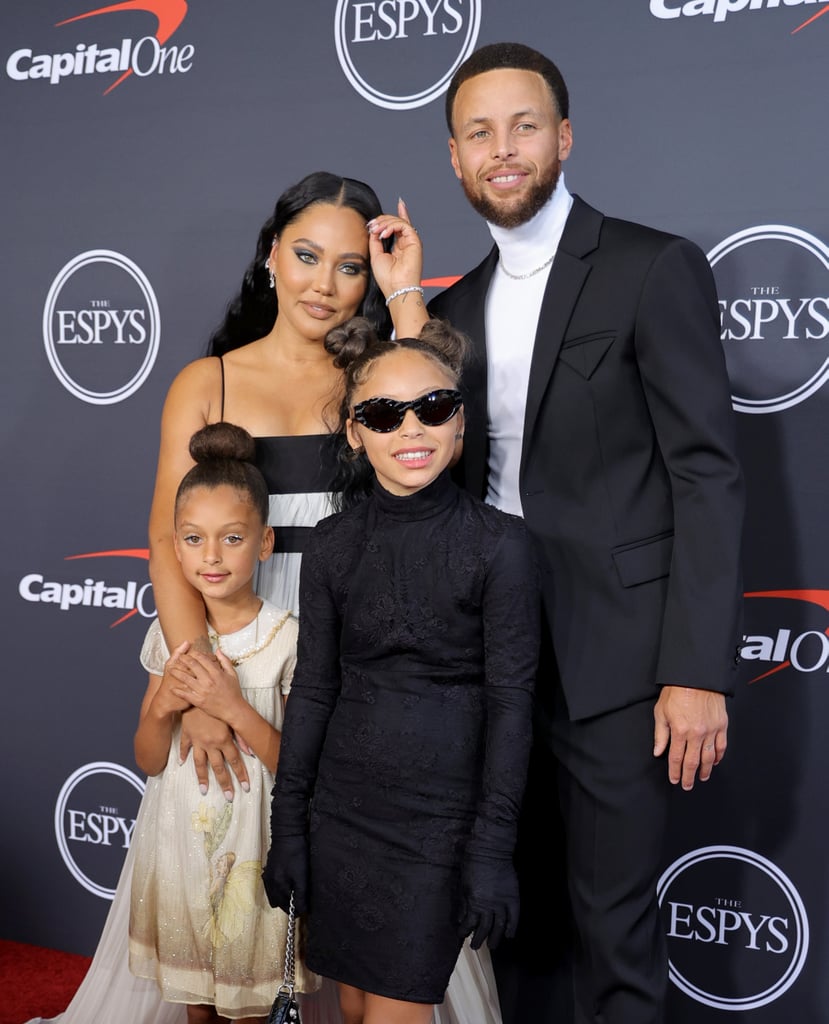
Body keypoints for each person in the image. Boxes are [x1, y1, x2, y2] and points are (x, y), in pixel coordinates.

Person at [427, 42, 745, 1024]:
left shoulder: (651, 268)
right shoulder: (450, 312)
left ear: (563, 137)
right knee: (509, 926)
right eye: (479, 132)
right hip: (494, 670)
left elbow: (707, 474)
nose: (503, 149)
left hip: (619, 666)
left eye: (523, 126)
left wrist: (695, 668)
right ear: (454, 158)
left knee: (615, 938)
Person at [262, 317, 539, 1024]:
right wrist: (287, 825)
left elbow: (512, 704)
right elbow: (316, 690)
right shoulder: (331, 545)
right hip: (341, 811)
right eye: (384, 415)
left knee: (393, 1013)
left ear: (460, 421)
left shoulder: (500, 547)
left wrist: (492, 851)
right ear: (355, 433)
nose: (411, 430)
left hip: (437, 826)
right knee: (354, 1011)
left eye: (433, 408)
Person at [129, 421, 315, 1023]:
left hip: (255, 853)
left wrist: (231, 707)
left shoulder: (288, 639)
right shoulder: (171, 637)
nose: (211, 557)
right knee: (198, 1004)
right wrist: (165, 707)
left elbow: (300, 767)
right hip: (181, 846)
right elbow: (149, 758)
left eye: (232, 539)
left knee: (247, 1006)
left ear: (265, 543)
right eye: (194, 539)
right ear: (175, 547)